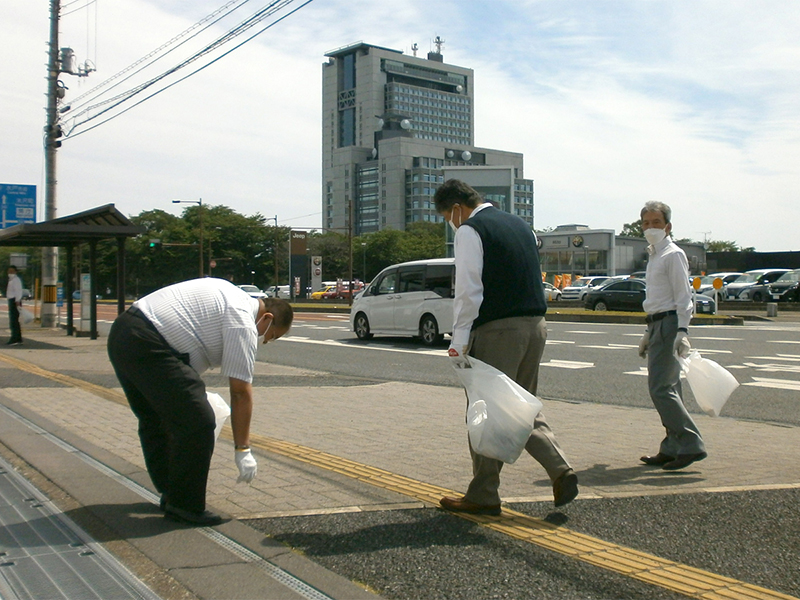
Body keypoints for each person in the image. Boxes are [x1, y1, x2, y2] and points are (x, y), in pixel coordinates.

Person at [434, 179, 578, 516]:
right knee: (522, 406)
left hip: (497, 330)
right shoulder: (520, 225)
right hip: (535, 327)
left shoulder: (470, 230)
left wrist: (459, 341)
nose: (449, 223)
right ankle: (560, 469)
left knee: (485, 411)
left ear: (456, 207)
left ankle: (484, 494)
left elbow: (469, 291)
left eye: (446, 216)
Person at [107, 277, 293, 526]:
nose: (264, 341)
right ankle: (185, 505)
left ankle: (172, 493)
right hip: (151, 344)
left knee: (156, 419)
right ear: (267, 318)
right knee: (199, 421)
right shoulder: (243, 322)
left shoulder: (228, 291)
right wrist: (243, 450)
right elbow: (240, 392)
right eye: (270, 337)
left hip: (124, 332)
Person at [637, 201, 706, 471]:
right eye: (645, 223)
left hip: (669, 323)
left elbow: (683, 296)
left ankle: (691, 444)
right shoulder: (654, 255)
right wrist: (646, 332)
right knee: (671, 388)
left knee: (661, 389)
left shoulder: (673, 254)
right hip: (656, 324)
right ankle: (671, 446)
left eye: (656, 222)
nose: (650, 227)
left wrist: (683, 330)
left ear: (668, 226)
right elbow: (655, 297)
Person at [6, 266, 23, 346]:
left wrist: (17, 301)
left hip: (15, 301)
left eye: (12, 271)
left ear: (16, 272)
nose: (10, 273)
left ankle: (14, 338)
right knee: (15, 320)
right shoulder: (11, 280)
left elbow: (18, 291)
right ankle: (18, 338)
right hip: (12, 300)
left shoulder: (16, 280)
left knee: (13, 321)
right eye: (9, 271)